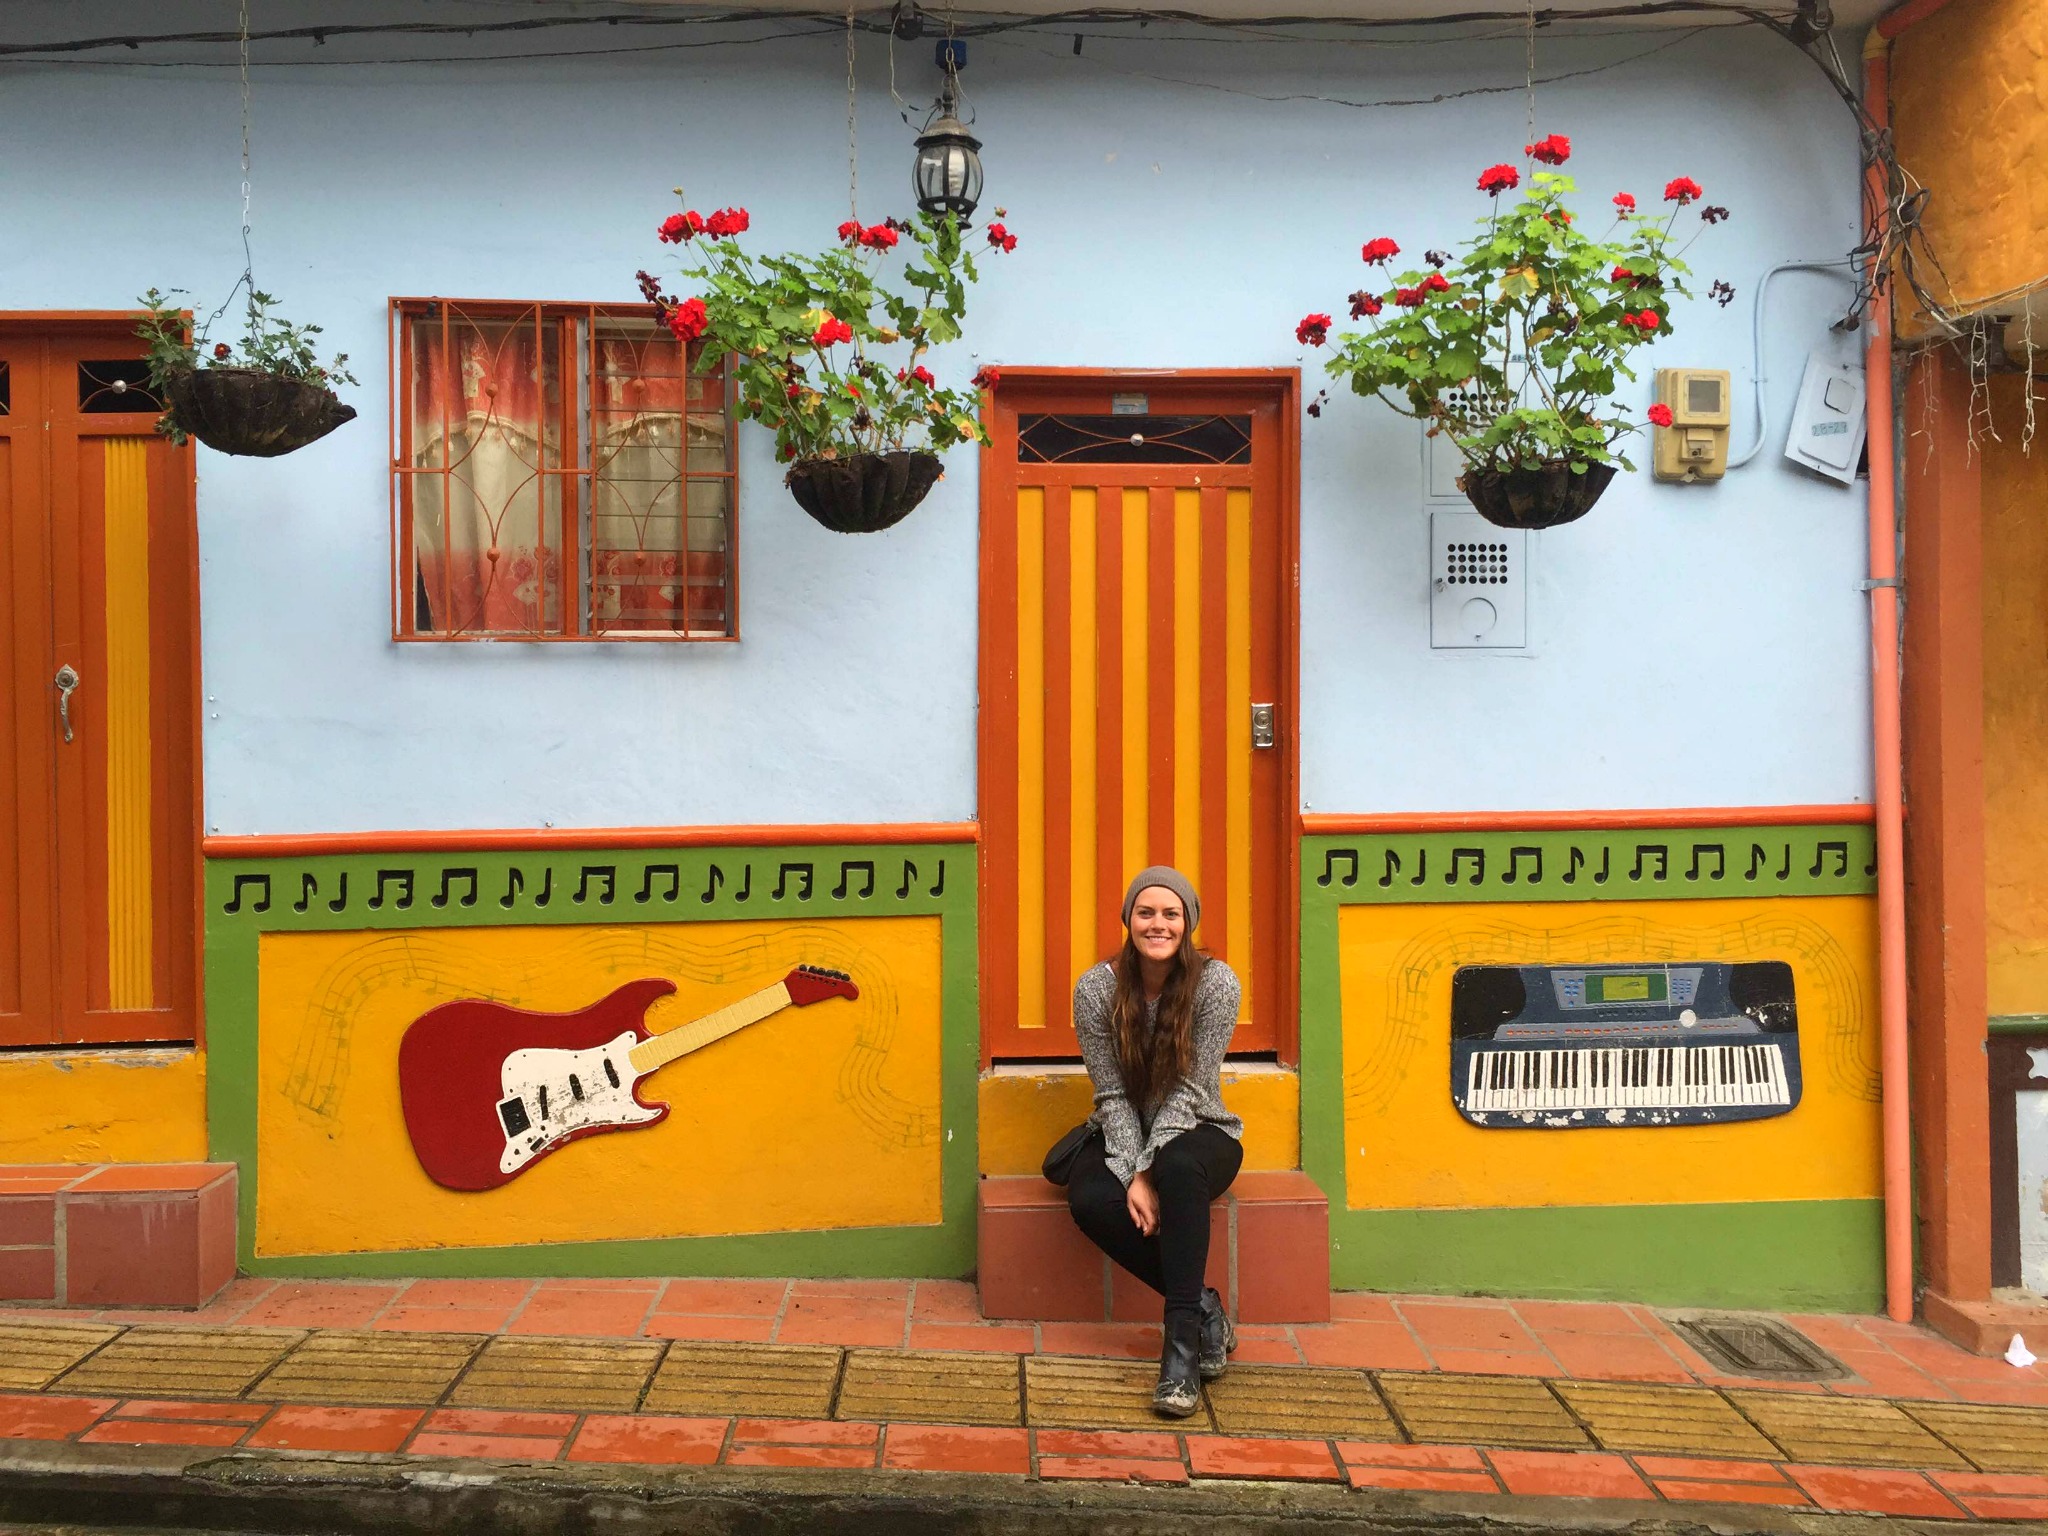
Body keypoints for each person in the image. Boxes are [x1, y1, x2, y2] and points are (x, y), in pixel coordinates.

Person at [1065, 865, 1244, 1417]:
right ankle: (1203, 1306)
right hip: (1126, 1129)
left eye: (1171, 913)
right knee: (1091, 1198)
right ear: (1128, 920)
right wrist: (1127, 1168)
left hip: (1200, 1128)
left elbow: (1191, 1089)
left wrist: (1143, 1174)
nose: (1158, 924)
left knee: (1179, 1170)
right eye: (1146, 912)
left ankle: (1180, 1352)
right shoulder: (1096, 989)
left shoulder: (1217, 984)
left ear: (1187, 921)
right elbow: (1112, 1093)